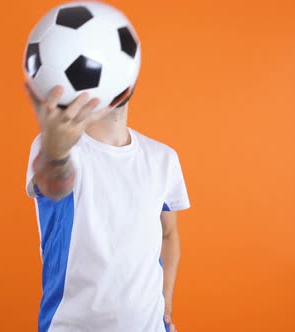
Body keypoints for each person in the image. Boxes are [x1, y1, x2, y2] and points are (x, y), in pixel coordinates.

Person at [25, 83, 190, 332]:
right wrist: (55, 149)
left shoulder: (162, 159)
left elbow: (169, 233)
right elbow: (51, 181)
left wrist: (165, 300)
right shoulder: (59, 149)